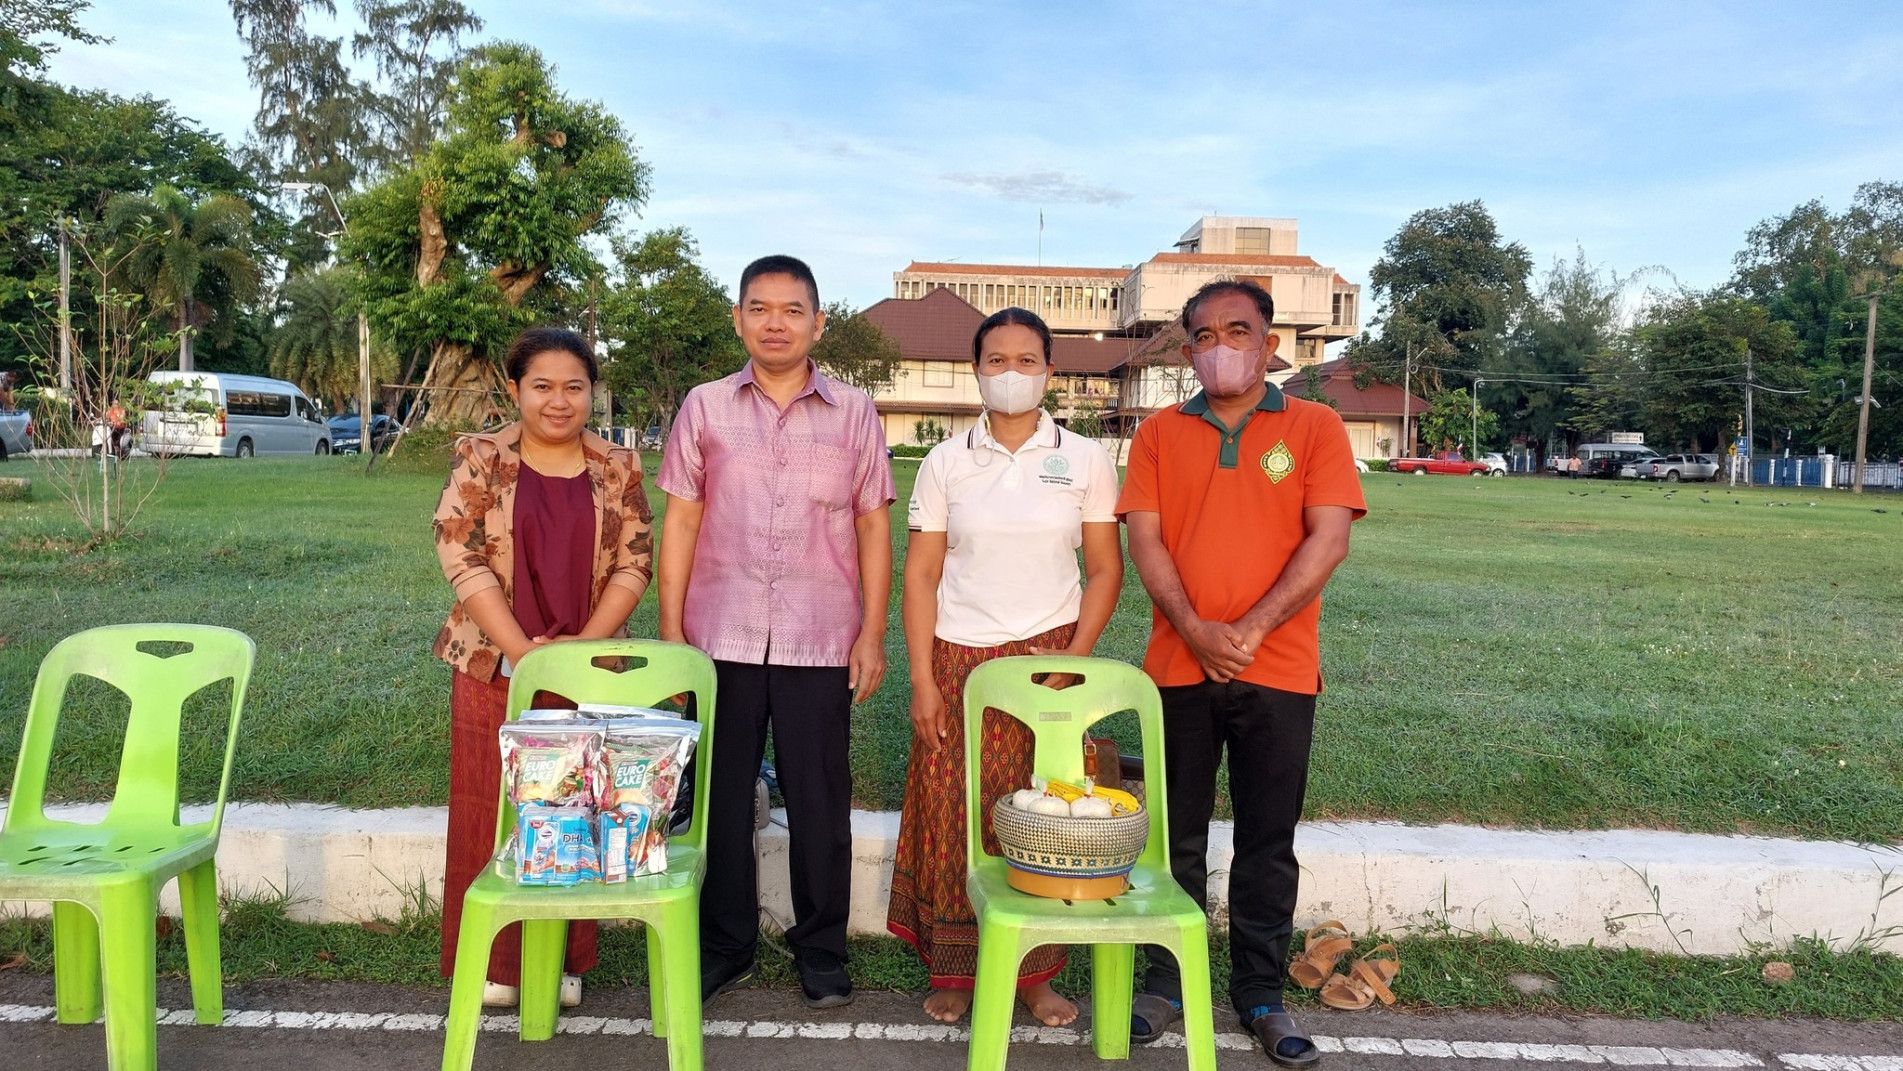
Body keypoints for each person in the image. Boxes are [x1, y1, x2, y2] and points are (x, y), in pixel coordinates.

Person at [1117, 279, 1365, 1067]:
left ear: (1268, 343)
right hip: (1176, 667)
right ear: (1186, 347)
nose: (1219, 345)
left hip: (1280, 669)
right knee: (1173, 835)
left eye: (1238, 329)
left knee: (1267, 838)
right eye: (1202, 334)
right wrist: (1195, 628)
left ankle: (1260, 993)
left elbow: (1326, 541)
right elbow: (1145, 543)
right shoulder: (1157, 433)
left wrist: (1250, 628)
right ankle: (1165, 980)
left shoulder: (1316, 425)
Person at [657, 255, 895, 1010]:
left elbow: (872, 525)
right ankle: (723, 944)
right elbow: (683, 520)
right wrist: (671, 635)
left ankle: (820, 949)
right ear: (738, 318)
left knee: (819, 800)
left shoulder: (855, 411)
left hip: (820, 636)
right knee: (720, 801)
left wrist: (871, 633)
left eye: (792, 310)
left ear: (818, 323)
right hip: (716, 637)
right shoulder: (703, 406)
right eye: (758, 307)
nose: (774, 322)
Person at [886, 308, 1123, 1027]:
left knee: (1046, 816)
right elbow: (920, 575)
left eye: (1027, 360)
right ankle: (955, 972)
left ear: (1050, 372)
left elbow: (1105, 570)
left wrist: (1074, 663)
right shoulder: (944, 461)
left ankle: (1034, 975)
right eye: (996, 359)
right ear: (976, 370)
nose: (1011, 373)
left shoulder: (1084, 458)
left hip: (1050, 658)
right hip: (958, 657)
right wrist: (923, 679)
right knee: (953, 815)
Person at [430, 327, 655, 1009]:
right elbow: (458, 552)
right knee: (491, 812)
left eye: (574, 387)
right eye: (542, 386)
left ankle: (564, 957)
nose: (559, 401)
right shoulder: (481, 457)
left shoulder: (617, 465)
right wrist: (526, 655)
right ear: (514, 389)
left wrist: (581, 653)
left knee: (573, 815)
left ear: (592, 391)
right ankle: (497, 962)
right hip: (493, 664)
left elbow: (634, 561)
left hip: (589, 669)